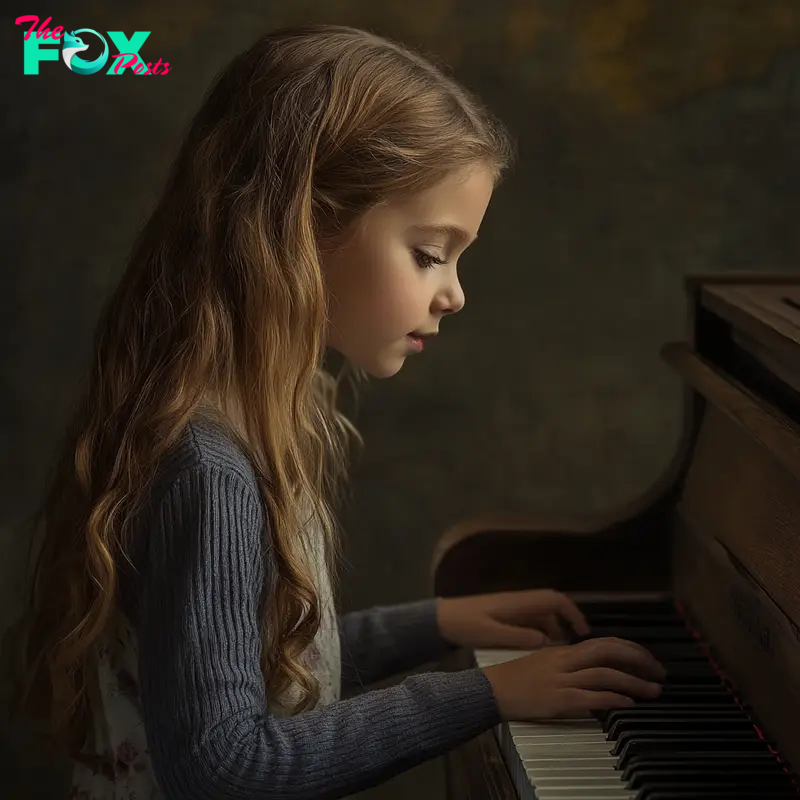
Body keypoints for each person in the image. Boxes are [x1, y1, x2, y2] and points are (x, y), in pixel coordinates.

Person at [10, 23, 666, 800]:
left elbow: (275, 671)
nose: (454, 293)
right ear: (303, 227)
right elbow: (225, 768)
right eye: (430, 252)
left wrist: (442, 624)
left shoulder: (234, 429)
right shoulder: (210, 473)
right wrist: (486, 695)